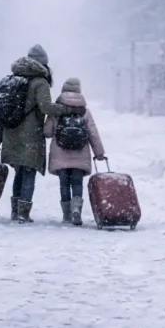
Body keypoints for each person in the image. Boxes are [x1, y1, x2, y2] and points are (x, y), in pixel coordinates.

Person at [0, 45, 85, 223]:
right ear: (43, 64)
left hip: (11, 133)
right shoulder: (40, 82)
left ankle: (15, 211)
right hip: (30, 135)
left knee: (19, 172)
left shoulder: (14, 79)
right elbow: (46, 107)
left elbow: (4, 113)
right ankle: (23, 213)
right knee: (29, 172)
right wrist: (69, 109)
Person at [43, 77, 105, 225]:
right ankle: (76, 209)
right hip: (80, 154)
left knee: (64, 184)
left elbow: (47, 132)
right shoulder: (84, 111)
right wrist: (99, 152)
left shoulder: (56, 110)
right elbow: (93, 133)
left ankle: (67, 214)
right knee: (77, 183)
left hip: (60, 153)